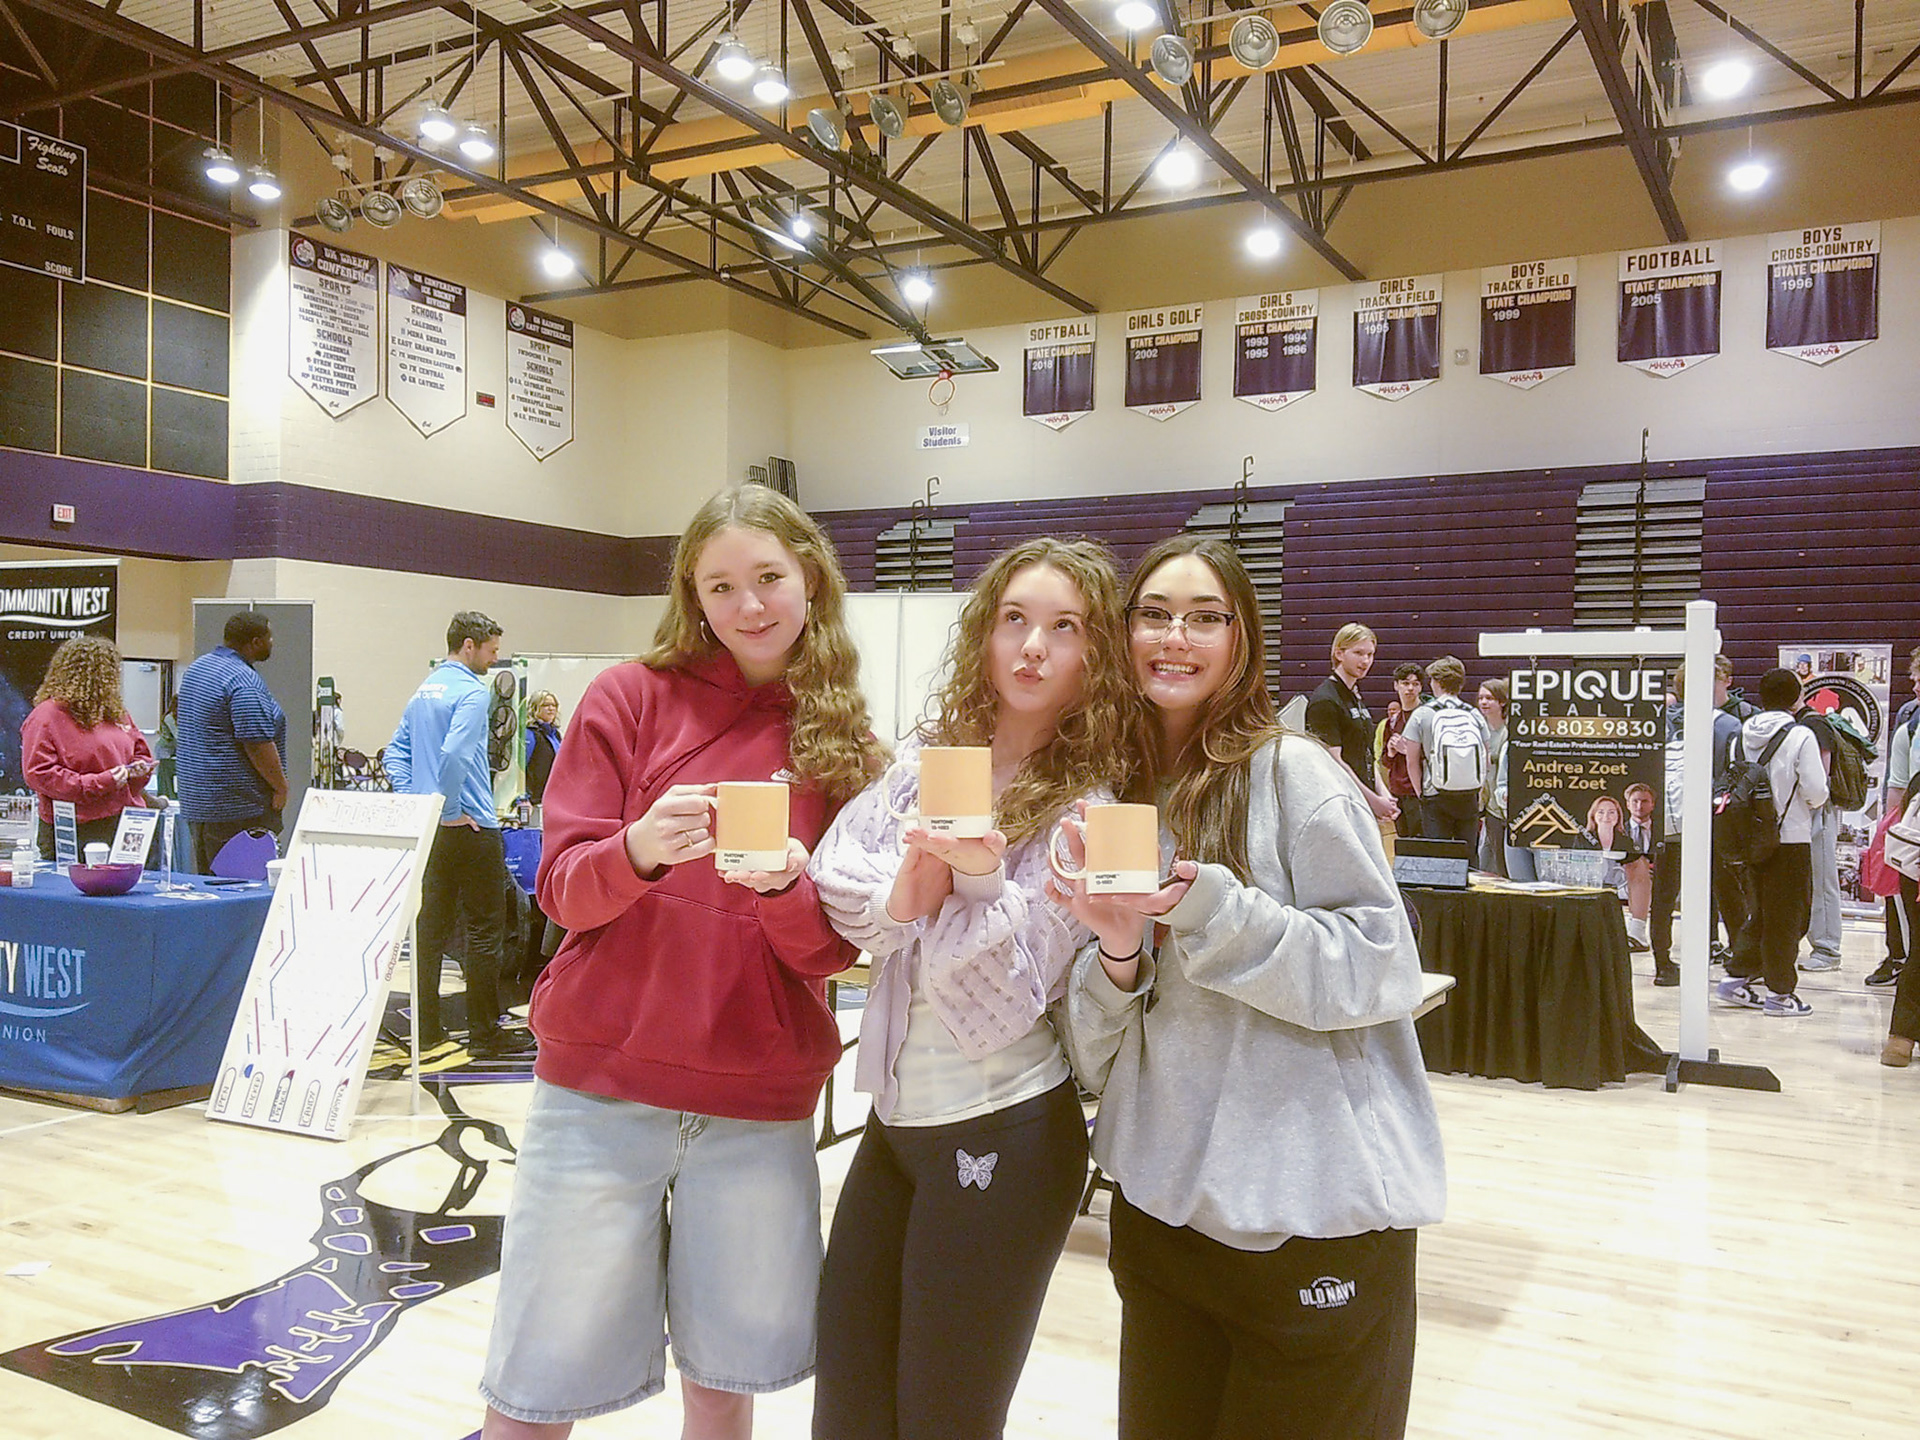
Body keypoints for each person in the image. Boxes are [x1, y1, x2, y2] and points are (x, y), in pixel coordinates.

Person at [478, 487, 884, 1440]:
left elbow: (833, 952)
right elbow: (563, 892)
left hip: (754, 1100)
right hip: (598, 1092)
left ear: (811, 577)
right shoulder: (627, 698)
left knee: (723, 1385)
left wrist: (787, 885)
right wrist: (638, 849)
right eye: (723, 586)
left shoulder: (846, 745)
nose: (750, 605)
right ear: (693, 597)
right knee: (534, 1388)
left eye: (769, 579)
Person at [1052, 534, 1446, 1440]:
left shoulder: (1295, 774)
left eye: (1202, 617)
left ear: (1242, 639)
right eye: (1154, 615)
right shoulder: (1119, 793)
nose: (1174, 637)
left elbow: (1384, 965)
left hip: (1313, 1222)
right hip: (1163, 1222)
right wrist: (1117, 958)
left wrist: (1213, 911)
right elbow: (1100, 1045)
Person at [806, 538, 1135, 1440]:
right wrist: (913, 890)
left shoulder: (1091, 808)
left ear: (1094, 656)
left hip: (1009, 1127)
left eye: (1063, 629)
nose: (1033, 647)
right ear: (984, 637)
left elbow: (1011, 985)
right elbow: (837, 884)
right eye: (1014, 620)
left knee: (945, 1417)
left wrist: (979, 881)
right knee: (847, 1406)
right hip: (897, 1124)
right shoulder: (925, 763)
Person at [386, 612, 528, 1061]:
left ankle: (426, 1029)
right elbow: (455, 753)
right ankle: (485, 1032)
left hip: (433, 830)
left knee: (431, 930)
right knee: (486, 930)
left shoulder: (423, 690)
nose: (494, 658)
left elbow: (396, 753)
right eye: (490, 650)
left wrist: (419, 803)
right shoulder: (470, 691)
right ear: (469, 646)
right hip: (470, 825)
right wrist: (446, 809)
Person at [1715, 668, 1829, 1017]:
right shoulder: (1801, 735)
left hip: (1750, 838)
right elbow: (1816, 791)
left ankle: (1736, 978)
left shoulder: (1738, 734)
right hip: (1790, 838)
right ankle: (1781, 994)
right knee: (1788, 918)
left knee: (1760, 911)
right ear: (1797, 697)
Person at [1648, 667, 1743, 986]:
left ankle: (1663, 964)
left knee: (1663, 895)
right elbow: (1738, 774)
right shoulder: (1727, 724)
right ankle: (1741, 961)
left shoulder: (1660, 721)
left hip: (1669, 820)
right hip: (1712, 822)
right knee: (1728, 892)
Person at [174, 611, 288, 873]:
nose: (273, 643)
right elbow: (256, 743)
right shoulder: (243, 681)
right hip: (238, 809)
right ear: (256, 642)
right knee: (240, 890)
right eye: (270, 637)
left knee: (211, 889)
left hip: (200, 805)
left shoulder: (198, 669)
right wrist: (281, 786)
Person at [20, 636, 153, 858]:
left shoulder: (115, 712)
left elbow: (140, 752)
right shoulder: (47, 717)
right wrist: (100, 783)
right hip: (76, 828)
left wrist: (139, 769)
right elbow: (40, 774)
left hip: (124, 822)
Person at [1305, 624, 1399, 832]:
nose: (1365, 661)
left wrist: (1384, 794)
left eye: (1370, 654)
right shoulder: (1326, 700)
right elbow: (1334, 761)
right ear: (1339, 653)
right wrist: (1373, 799)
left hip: (1362, 803)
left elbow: (1365, 754)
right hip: (1340, 805)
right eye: (1358, 653)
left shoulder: (1355, 696)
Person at [1868, 648, 1920, 990]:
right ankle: (1900, 957)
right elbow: (1897, 787)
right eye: (1914, 676)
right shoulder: (1909, 723)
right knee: (1900, 898)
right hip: (1915, 829)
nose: (1914, 685)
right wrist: (1892, 834)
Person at [1404, 655, 1490, 847]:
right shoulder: (1474, 714)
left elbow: (1411, 761)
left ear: (1437, 681)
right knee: (1468, 856)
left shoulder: (1422, 714)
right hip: (1469, 794)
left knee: (1439, 857)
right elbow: (1486, 757)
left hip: (1434, 793)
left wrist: (1421, 794)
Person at [1793, 682, 1844, 974]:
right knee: (1809, 881)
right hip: (1800, 812)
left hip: (1818, 810)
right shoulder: (1797, 723)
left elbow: (1821, 777)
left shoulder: (1815, 723)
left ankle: (1827, 948)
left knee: (1823, 880)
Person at [1380, 664, 1425, 840]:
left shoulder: (1426, 716)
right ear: (1396, 685)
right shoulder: (1392, 722)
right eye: (1405, 683)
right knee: (1403, 842)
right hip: (1398, 791)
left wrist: (1407, 751)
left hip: (1418, 791)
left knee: (1421, 842)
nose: (1410, 688)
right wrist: (1391, 752)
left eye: (1415, 684)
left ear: (1421, 687)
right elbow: (1385, 761)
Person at [1476, 679, 1509, 875]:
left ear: (1502, 702)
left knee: (1503, 861)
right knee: (1488, 860)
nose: (1484, 702)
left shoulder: (1509, 731)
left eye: (1489, 698)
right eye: (1480, 698)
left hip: (1505, 804)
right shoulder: (1480, 730)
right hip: (1489, 806)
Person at [1621, 782, 1657, 951]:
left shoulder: (1662, 830)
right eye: (1634, 801)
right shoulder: (1617, 829)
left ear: (1653, 804)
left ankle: (1637, 933)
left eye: (1644, 801)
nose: (1639, 806)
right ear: (1627, 804)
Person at [524, 691, 563, 806]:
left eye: (554, 705)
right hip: (535, 799)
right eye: (545, 705)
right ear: (535, 707)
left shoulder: (556, 734)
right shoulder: (529, 733)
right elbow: (522, 769)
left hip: (553, 797)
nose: (551, 709)